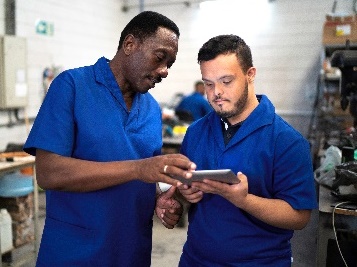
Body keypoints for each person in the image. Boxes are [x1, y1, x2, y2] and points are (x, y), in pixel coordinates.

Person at [23, 11, 196, 267]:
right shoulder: (71, 87)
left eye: (170, 64)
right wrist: (138, 169)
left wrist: (159, 198)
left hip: (131, 251)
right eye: (160, 58)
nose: (164, 71)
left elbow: (148, 176)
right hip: (76, 252)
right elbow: (49, 173)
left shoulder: (151, 109)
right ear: (130, 44)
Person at [177, 34, 318, 266]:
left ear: (250, 75)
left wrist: (244, 200)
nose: (216, 93)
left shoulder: (286, 141)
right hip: (196, 259)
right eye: (209, 84)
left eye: (226, 81)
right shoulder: (195, 132)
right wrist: (184, 195)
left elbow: (299, 216)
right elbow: (184, 190)